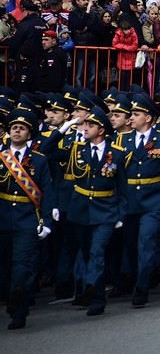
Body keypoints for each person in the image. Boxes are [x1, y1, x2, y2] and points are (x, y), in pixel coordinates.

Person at [116, 94, 160, 307]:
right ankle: (139, 276)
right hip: (130, 200)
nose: (131, 118)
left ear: (149, 118)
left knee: (147, 243)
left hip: (154, 200)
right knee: (131, 245)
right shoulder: (122, 140)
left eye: (136, 114)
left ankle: (141, 287)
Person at [67, 106, 126, 317]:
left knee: (97, 252)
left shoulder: (117, 154)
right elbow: (48, 150)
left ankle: (92, 286)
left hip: (106, 211)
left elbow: (123, 187)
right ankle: (96, 296)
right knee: (86, 252)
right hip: (81, 211)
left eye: (90, 125)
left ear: (101, 130)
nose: (85, 128)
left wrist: (120, 214)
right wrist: (63, 128)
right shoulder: (77, 150)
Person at [0, 109, 55, 330]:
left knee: (22, 267)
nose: (17, 131)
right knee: (4, 267)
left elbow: (47, 193)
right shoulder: (2, 157)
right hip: (3, 217)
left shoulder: (39, 161)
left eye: (21, 128)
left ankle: (19, 311)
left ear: (29, 133)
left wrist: (48, 222)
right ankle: (10, 295)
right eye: (14, 127)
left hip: (26, 220)